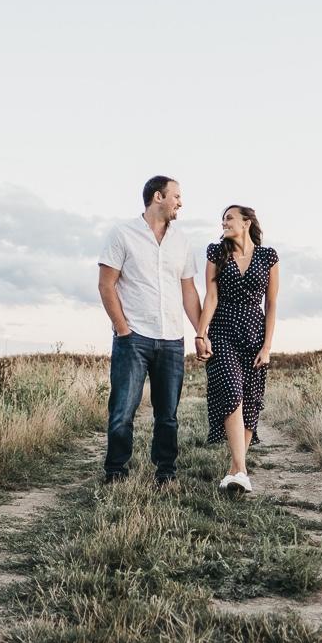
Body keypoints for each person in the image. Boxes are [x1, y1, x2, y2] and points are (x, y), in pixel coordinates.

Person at [97, 175, 208, 486]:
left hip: (172, 339)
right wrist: (122, 330)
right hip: (134, 337)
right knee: (123, 410)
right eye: (176, 196)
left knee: (168, 415)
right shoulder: (122, 234)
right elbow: (106, 285)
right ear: (158, 197)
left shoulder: (182, 242)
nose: (180, 203)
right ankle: (116, 472)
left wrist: (201, 332)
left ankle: (166, 473)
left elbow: (189, 292)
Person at [197, 204, 279, 493]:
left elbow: (270, 305)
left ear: (246, 222)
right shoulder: (215, 253)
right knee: (232, 392)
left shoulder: (267, 256)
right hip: (223, 331)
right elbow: (211, 297)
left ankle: (235, 472)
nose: (223, 222)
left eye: (229, 218)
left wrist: (267, 346)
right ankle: (242, 469)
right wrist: (200, 333)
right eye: (222, 219)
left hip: (255, 333)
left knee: (250, 401)